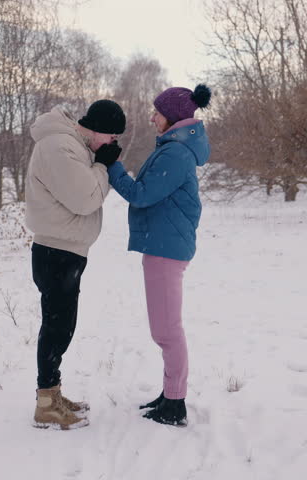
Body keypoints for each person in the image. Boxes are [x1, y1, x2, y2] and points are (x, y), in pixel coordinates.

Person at [105, 84, 212, 426]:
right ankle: (169, 395)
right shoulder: (175, 148)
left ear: (173, 117)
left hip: (166, 248)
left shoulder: (176, 154)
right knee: (164, 328)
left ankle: (176, 402)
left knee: (167, 330)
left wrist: (113, 166)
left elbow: (141, 194)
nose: (152, 118)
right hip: (164, 245)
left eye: (157, 113)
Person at [25, 99, 125, 430]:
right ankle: (46, 405)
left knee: (62, 325)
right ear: (99, 129)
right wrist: (102, 167)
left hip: (65, 250)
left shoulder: (71, 145)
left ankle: (52, 393)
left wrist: (99, 163)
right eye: (112, 137)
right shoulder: (59, 146)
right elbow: (85, 199)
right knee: (56, 327)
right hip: (56, 251)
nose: (113, 144)